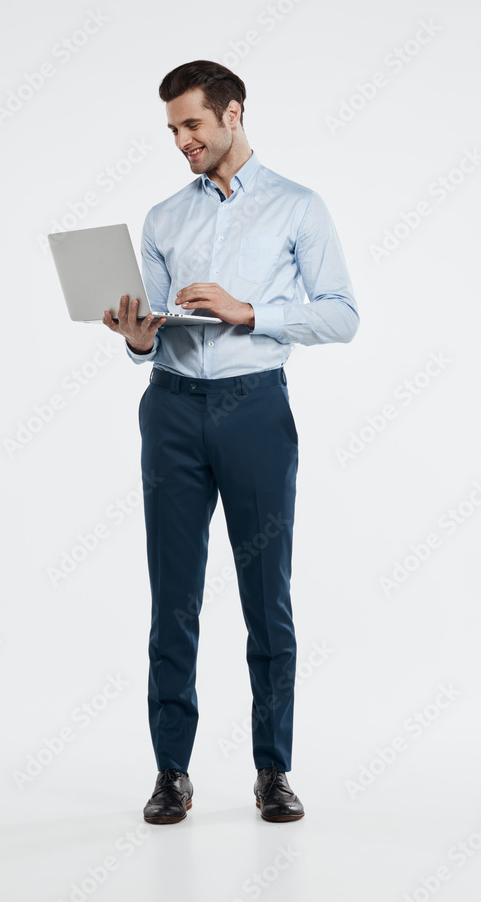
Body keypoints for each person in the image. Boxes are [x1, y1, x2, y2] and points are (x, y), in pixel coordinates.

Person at [102, 60, 359, 824]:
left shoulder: (296, 208)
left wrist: (250, 312)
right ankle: (170, 771)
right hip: (172, 411)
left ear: (232, 113)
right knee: (171, 599)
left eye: (192, 125)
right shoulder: (162, 219)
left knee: (265, 599)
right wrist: (138, 338)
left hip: (254, 409)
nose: (181, 140)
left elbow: (342, 313)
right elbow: (146, 330)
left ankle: (272, 769)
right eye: (173, 129)